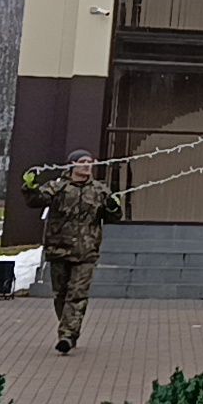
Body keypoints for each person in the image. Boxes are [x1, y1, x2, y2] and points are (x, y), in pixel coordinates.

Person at [21, 149, 123, 354]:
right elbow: (35, 201)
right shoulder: (58, 187)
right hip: (59, 249)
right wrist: (29, 187)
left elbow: (114, 217)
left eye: (89, 161)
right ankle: (69, 329)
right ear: (72, 165)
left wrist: (113, 207)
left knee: (77, 294)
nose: (87, 165)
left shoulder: (99, 190)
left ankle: (67, 335)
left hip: (86, 252)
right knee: (61, 294)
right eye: (82, 161)